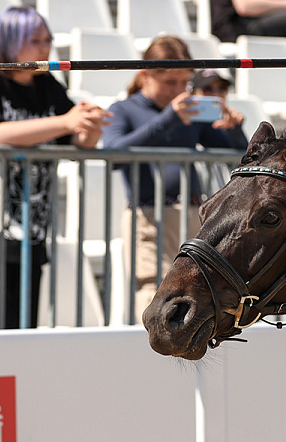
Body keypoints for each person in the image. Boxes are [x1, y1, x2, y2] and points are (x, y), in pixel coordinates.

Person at [0, 6, 107, 329]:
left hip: (29, 230)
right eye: (34, 40)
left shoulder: (46, 84)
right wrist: (65, 122)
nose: (44, 48)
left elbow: (77, 139)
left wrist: (89, 126)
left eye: (47, 39)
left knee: (22, 327)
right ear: (8, 41)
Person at [102, 35, 247, 314]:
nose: (178, 89)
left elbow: (233, 155)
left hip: (192, 214)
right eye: (170, 82)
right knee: (153, 293)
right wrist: (169, 118)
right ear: (145, 75)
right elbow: (113, 152)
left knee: (198, 291)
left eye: (184, 82)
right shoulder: (124, 109)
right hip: (147, 218)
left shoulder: (190, 112)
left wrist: (233, 127)